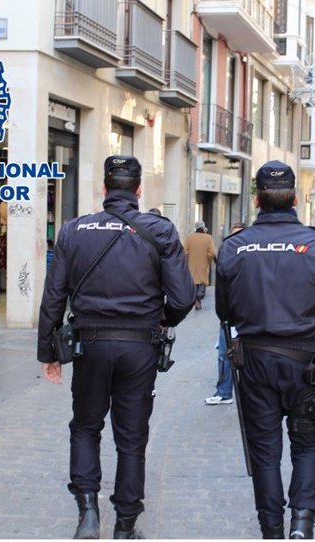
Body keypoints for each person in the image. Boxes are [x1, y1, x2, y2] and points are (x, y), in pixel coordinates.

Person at [37, 155, 196, 539]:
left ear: (104, 188)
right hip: (140, 345)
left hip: (90, 344)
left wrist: (49, 351)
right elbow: (183, 296)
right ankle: (125, 526)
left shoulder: (75, 230)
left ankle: (88, 511)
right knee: (132, 435)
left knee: (86, 426)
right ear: (139, 190)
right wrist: (163, 321)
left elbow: (54, 295)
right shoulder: (160, 230)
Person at [215, 160, 315, 539]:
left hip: (255, 361)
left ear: (257, 199)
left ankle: (272, 530)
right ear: (295, 197)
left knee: (264, 451)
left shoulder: (233, 247)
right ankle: (302, 527)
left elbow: (223, 312)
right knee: (308, 445)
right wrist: (306, 321)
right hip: (305, 363)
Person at [205, 222, 246, 406]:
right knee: (224, 355)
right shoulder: (227, 256)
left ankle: (248, 395)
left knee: (248, 359)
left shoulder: (252, 259)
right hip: (230, 318)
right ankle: (224, 392)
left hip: (249, 319)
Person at [184, 220, 216, 310]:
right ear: (203, 228)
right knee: (202, 282)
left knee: (193, 282)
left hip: (192, 265)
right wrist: (208, 260)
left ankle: (197, 299)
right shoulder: (208, 238)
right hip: (203, 264)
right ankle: (198, 298)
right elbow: (212, 253)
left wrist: (188, 260)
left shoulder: (190, 237)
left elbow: (185, 251)